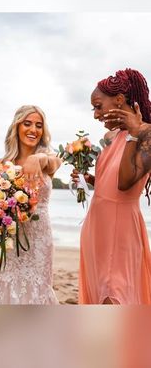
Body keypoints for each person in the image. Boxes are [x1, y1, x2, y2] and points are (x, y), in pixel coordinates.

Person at [73, 68, 151, 304]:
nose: (96, 115)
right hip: (97, 226)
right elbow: (110, 181)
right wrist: (89, 180)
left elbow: (125, 182)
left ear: (119, 100)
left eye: (99, 106)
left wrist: (134, 134)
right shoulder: (111, 137)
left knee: (114, 296)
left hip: (121, 229)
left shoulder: (147, 134)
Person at [0, 105, 61, 304]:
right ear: (17, 127)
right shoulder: (0, 165)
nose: (33, 130)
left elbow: (55, 162)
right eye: (27, 124)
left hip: (39, 237)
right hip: (7, 237)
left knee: (38, 289)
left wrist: (38, 157)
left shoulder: (49, 159)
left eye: (38, 125)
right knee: (1, 283)